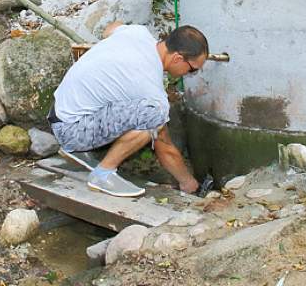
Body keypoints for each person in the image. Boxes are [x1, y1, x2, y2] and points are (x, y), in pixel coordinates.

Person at [48, 23, 207, 198]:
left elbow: (110, 28)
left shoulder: (137, 32)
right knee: (154, 115)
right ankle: (103, 174)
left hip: (59, 110)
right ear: (177, 58)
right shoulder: (149, 87)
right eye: (192, 70)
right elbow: (165, 147)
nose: (190, 74)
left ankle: (78, 150)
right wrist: (188, 182)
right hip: (70, 131)